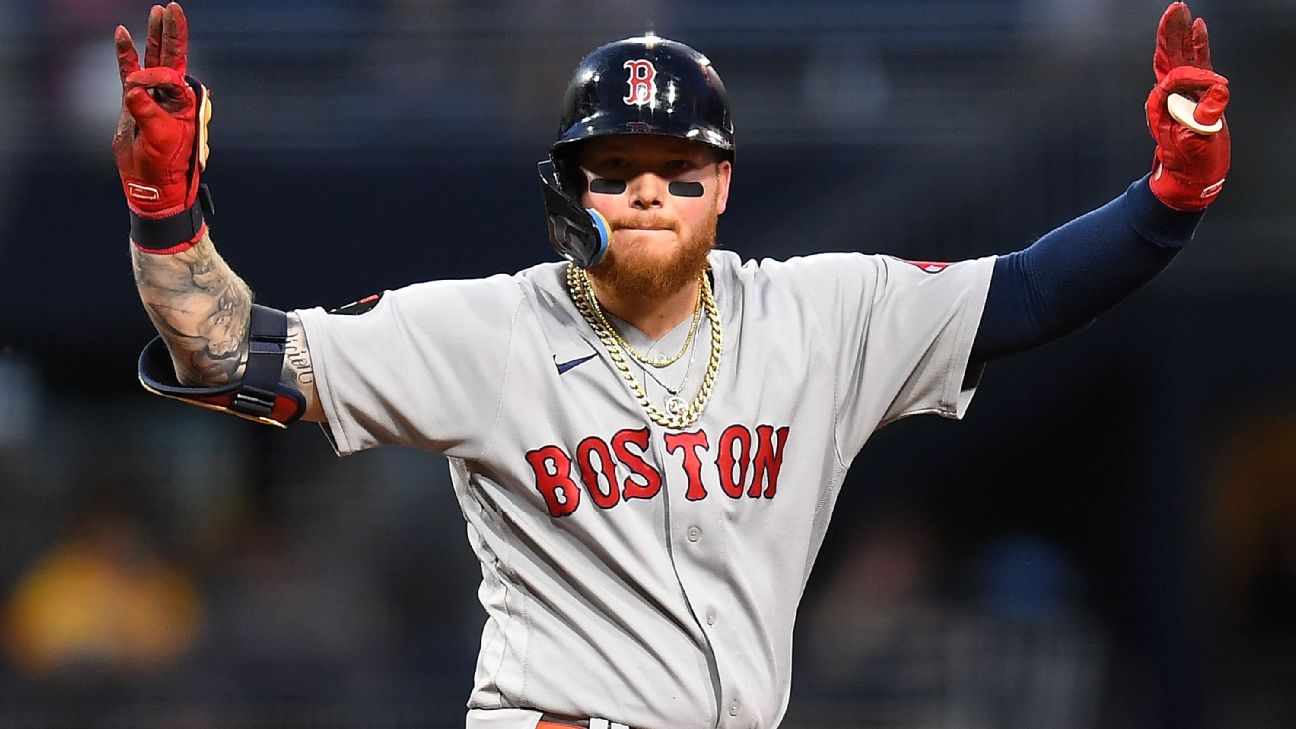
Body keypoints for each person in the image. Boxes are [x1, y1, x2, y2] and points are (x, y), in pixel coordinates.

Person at [113, 3, 1229, 727]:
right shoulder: (483, 331)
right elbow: (222, 349)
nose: (650, 188)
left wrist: (1168, 201)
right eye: (618, 165)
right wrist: (166, 212)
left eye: (679, 167)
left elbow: (1029, 292)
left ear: (726, 186)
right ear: (569, 188)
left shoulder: (823, 313)